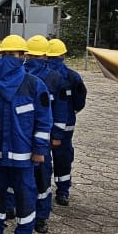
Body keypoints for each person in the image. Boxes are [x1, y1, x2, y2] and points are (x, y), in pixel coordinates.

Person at [0, 34, 51, 234]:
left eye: (14, 54)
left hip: (24, 156)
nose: (8, 58)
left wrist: (40, 149)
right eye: (4, 54)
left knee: (25, 196)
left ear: (24, 57)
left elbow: (44, 120)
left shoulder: (34, 85)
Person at [23, 35, 61, 233]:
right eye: (31, 55)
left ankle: (42, 216)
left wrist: (55, 135)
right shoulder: (22, 75)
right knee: (24, 180)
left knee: (42, 178)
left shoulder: (54, 78)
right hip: (22, 136)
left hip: (42, 136)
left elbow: (57, 111)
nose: (33, 59)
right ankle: (23, 212)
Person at [46, 38, 86, 206]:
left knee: (42, 159)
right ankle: (62, 191)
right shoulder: (72, 76)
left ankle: (42, 190)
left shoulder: (42, 75)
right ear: (63, 54)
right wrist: (72, 113)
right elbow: (80, 101)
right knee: (63, 158)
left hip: (42, 126)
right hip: (66, 127)